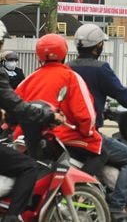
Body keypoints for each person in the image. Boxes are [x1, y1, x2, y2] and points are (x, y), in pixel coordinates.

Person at [68, 24, 127, 221]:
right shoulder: (101, 70)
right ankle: (118, 207)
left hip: (66, 135)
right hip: (88, 135)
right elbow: (124, 96)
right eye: (101, 44)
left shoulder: (68, 68)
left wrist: (107, 113)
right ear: (97, 47)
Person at [15, 34, 106, 175]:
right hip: (62, 138)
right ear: (64, 53)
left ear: (39, 56)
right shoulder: (71, 77)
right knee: (103, 152)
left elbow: (13, 109)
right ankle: (83, 190)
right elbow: (86, 116)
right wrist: (87, 133)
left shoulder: (28, 79)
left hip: (28, 140)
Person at [0, 23, 62, 222]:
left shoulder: (27, 76)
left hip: (16, 128)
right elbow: (16, 104)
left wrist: (8, 120)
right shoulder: (70, 75)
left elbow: (14, 101)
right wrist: (49, 117)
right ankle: (12, 216)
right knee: (28, 167)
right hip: (62, 134)